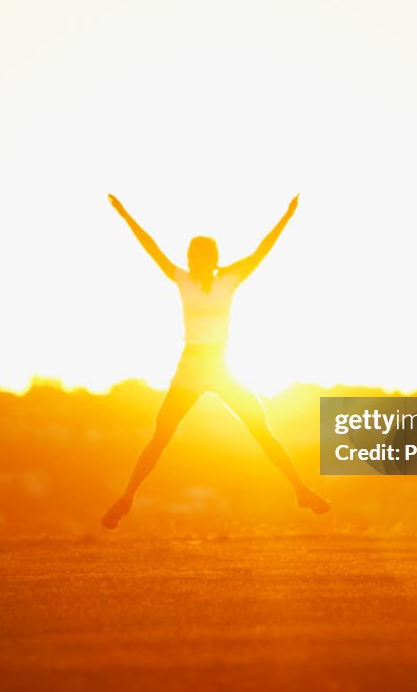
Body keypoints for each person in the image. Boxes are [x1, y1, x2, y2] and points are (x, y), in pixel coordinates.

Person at [101, 193, 330, 529]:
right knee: (160, 436)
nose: (195, 261)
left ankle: (301, 490)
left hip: (223, 366)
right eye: (192, 256)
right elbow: (150, 246)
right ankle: (126, 499)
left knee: (261, 430)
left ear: (213, 259)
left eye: (201, 256)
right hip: (190, 366)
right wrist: (124, 215)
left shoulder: (229, 278)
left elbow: (262, 251)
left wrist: (286, 216)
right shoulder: (182, 278)